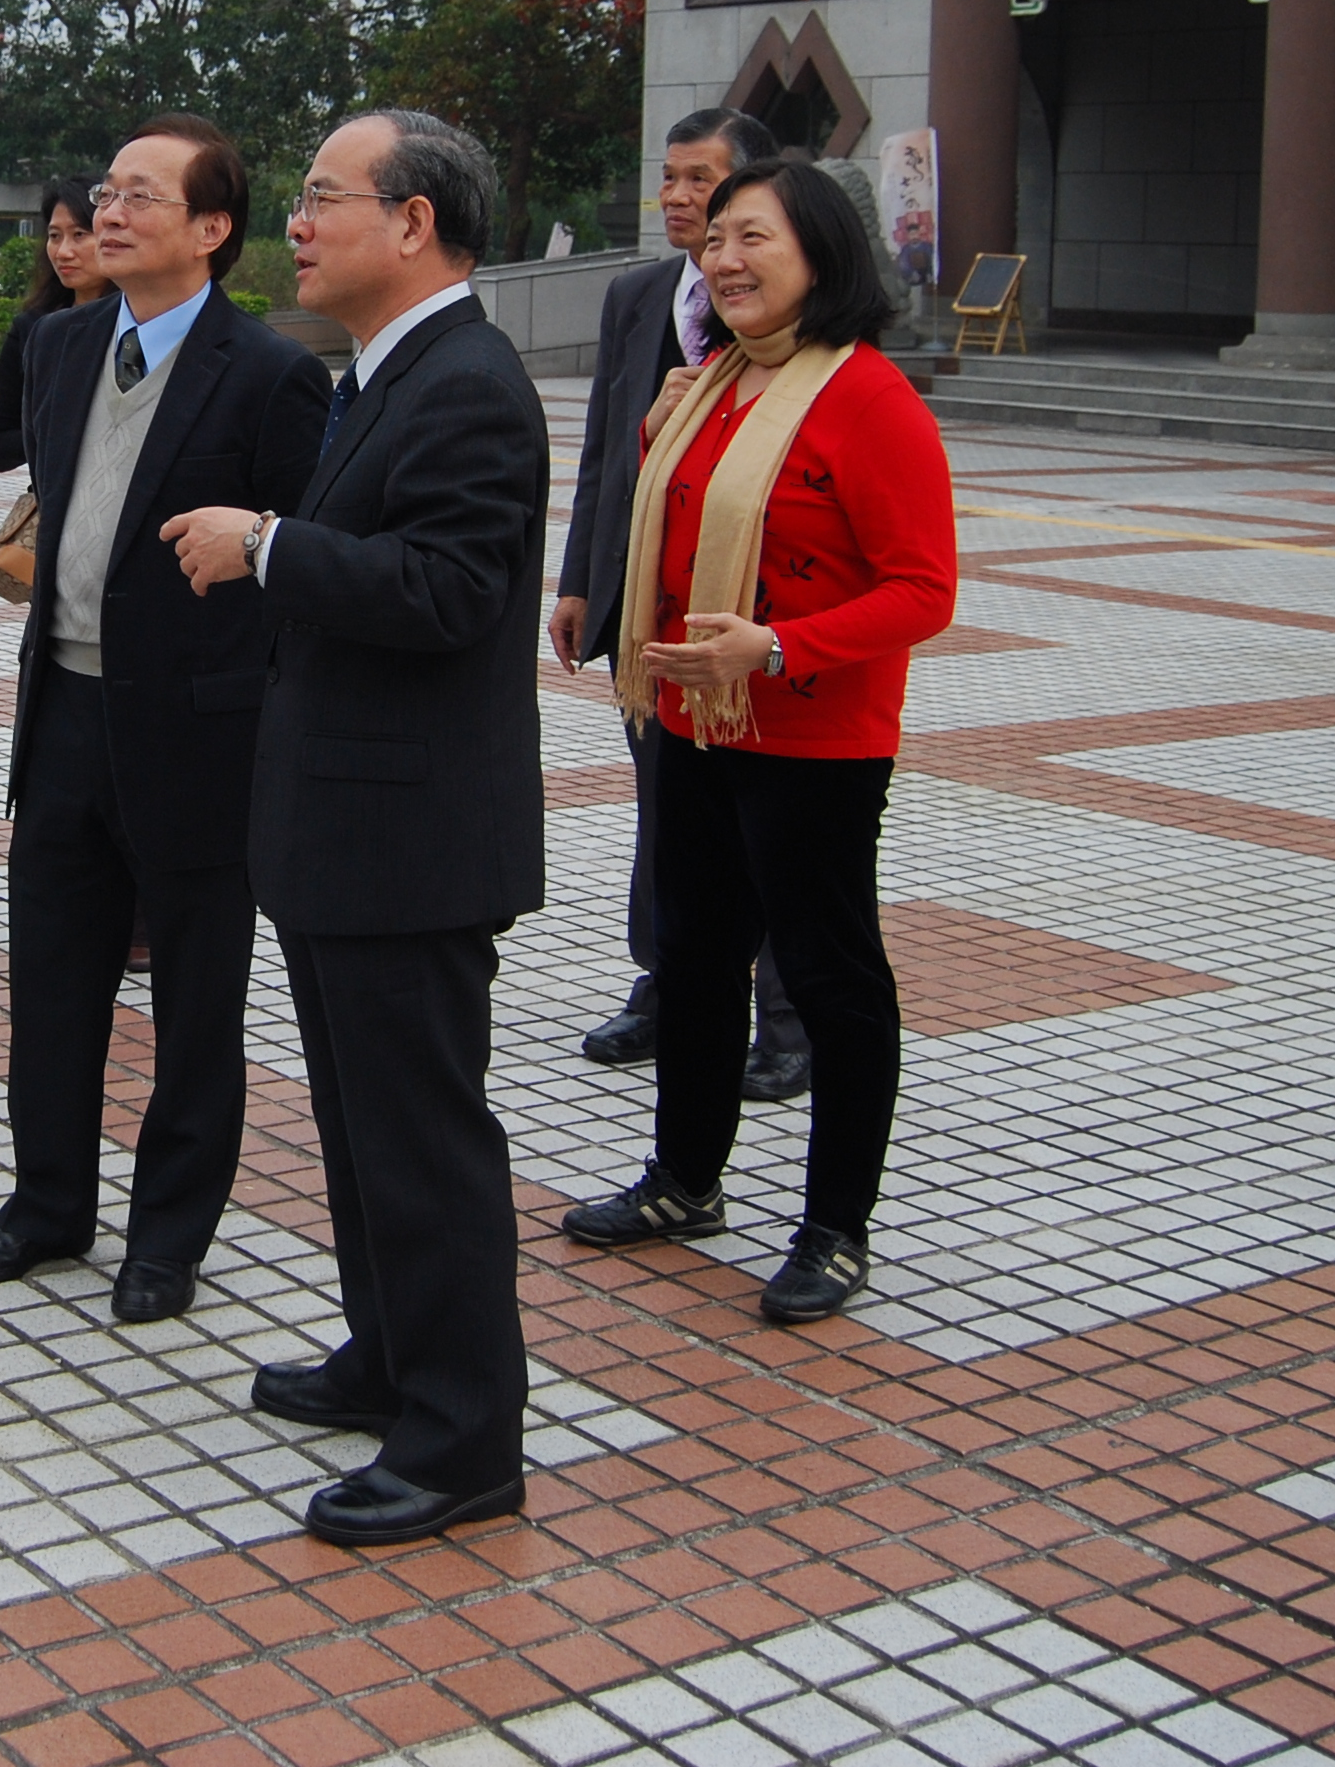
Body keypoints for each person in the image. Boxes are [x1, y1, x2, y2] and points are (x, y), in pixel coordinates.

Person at [161, 109, 548, 1548]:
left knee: (425, 1142)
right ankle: (389, 1358)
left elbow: (448, 590)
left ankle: (464, 1443)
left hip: (413, 842)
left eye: (325, 197)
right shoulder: (390, 371)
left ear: (418, 223)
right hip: (346, 832)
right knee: (362, 1127)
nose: (299, 224)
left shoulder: (471, 385)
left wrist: (265, 546)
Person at [0, 115, 327, 1322]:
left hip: (201, 737)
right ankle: (46, 1203)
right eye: (104, 192)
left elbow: (296, 572)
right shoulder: (56, 349)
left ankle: (169, 1235)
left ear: (211, 229)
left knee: (197, 1001)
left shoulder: (269, 374)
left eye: (140, 198)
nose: (107, 214)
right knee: (50, 979)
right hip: (61, 714)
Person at [560, 157, 954, 1326]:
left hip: (811, 737)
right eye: (715, 240)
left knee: (831, 979)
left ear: (821, 257)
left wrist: (775, 649)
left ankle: (834, 1226)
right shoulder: (711, 382)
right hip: (688, 717)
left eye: (753, 240)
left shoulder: (869, 398)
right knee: (690, 957)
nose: (724, 261)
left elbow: (922, 590)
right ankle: (685, 1180)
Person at [551, 108, 813, 1101]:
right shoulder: (636, 296)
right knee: (664, 804)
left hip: (747, 613)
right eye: (666, 178)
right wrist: (581, 581)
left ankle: (785, 1017)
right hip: (644, 603)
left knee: (765, 818)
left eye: (698, 179)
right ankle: (663, 982)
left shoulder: (798, 317)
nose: (675, 197)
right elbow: (602, 452)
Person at [0, 177, 102, 474]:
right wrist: (58, 429)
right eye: (54, 236)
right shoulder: (34, 329)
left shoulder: (143, 321)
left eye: (79, 234)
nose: (63, 251)